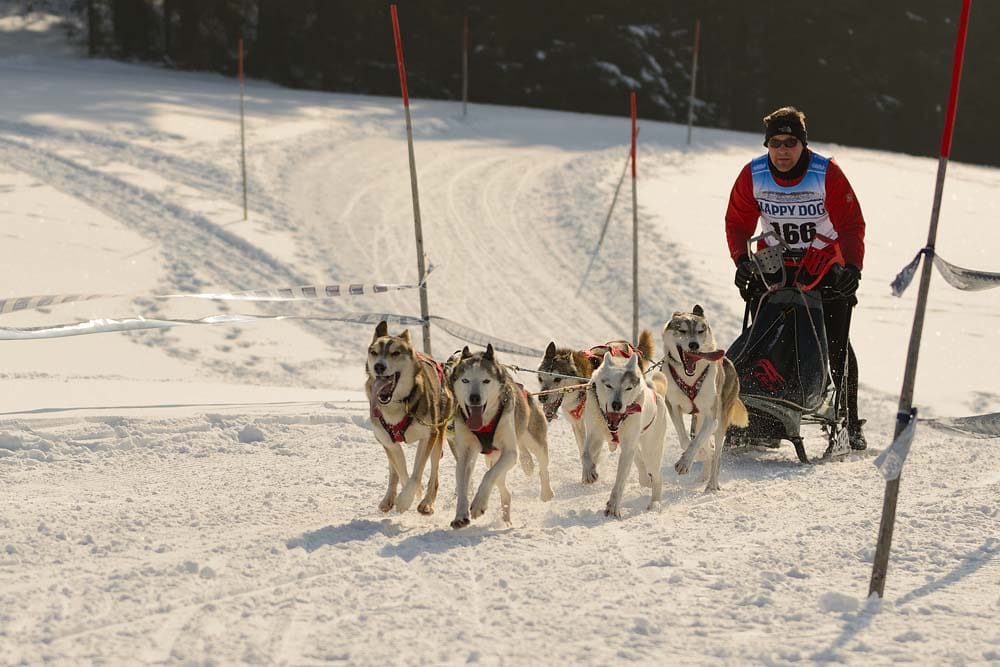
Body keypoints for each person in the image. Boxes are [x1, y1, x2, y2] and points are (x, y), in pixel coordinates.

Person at [724, 106, 867, 450]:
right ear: (767, 146)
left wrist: (853, 268)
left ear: (803, 144)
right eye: (775, 143)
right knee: (766, 332)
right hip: (775, 262)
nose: (783, 150)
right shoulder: (753, 174)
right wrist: (741, 261)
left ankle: (849, 420)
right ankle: (760, 414)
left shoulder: (826, 173)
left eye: (790, 142)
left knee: (834, 340)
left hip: (825, 263)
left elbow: (850, 225)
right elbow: (738, 221)